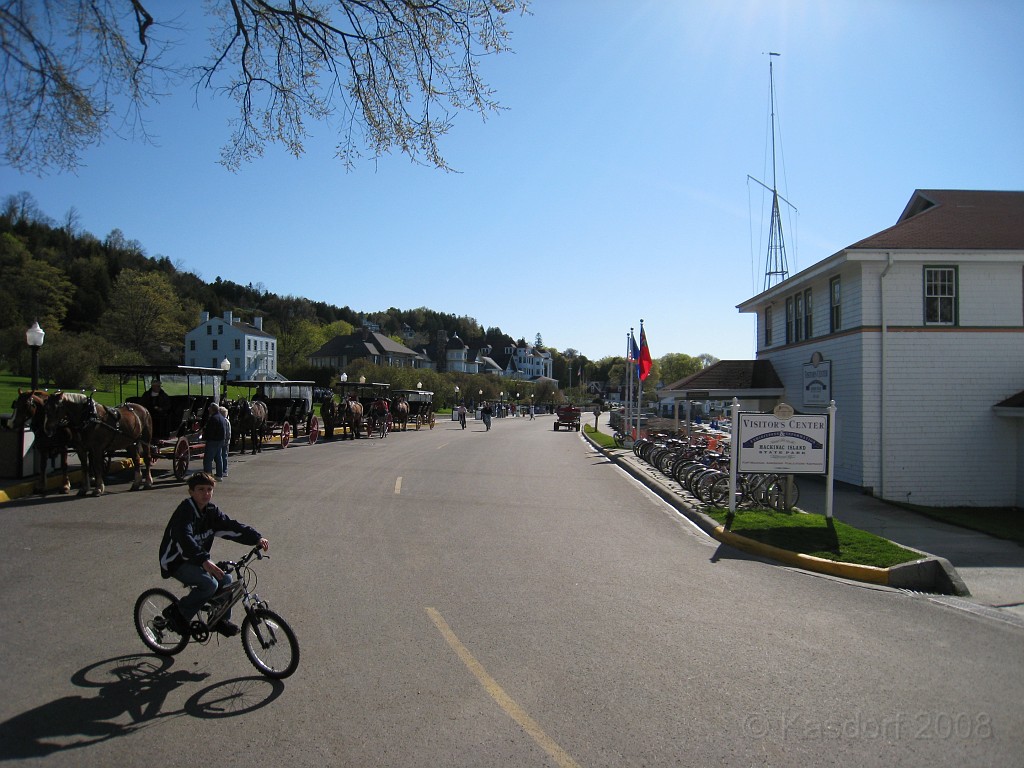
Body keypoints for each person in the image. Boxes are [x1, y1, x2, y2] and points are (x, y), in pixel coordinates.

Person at [158, 472, 269, 637]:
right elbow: (184, 539)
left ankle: (220, 621)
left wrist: (256, 538)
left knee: (227, 580)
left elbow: (231, 526)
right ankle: (178, 613)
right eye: (201, 489)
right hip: (175, 560)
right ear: (191, 492)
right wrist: (204, 561)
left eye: (209, 489)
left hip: (197, 559)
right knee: (209, 584)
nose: (206, 494)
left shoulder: (211, 511)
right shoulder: (185, 511)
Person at [202, 402, 228, 478]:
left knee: (208, 460)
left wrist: (205, 437)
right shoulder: (222, 418)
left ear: (212, 409)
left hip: (213, 441)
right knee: (218, 458)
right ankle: (219, 475)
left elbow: (210, 431)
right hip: (220, 441)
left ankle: (207, 476)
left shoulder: (213, 418)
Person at [218, 404, 231, 477]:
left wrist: (225, 441)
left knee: (223, 456)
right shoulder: (226, 421)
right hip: (225, 441)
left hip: (224, 442)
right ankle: (223, 470)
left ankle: (224, 470)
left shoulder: (225, 421)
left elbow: (228, 433)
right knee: (223, 456)